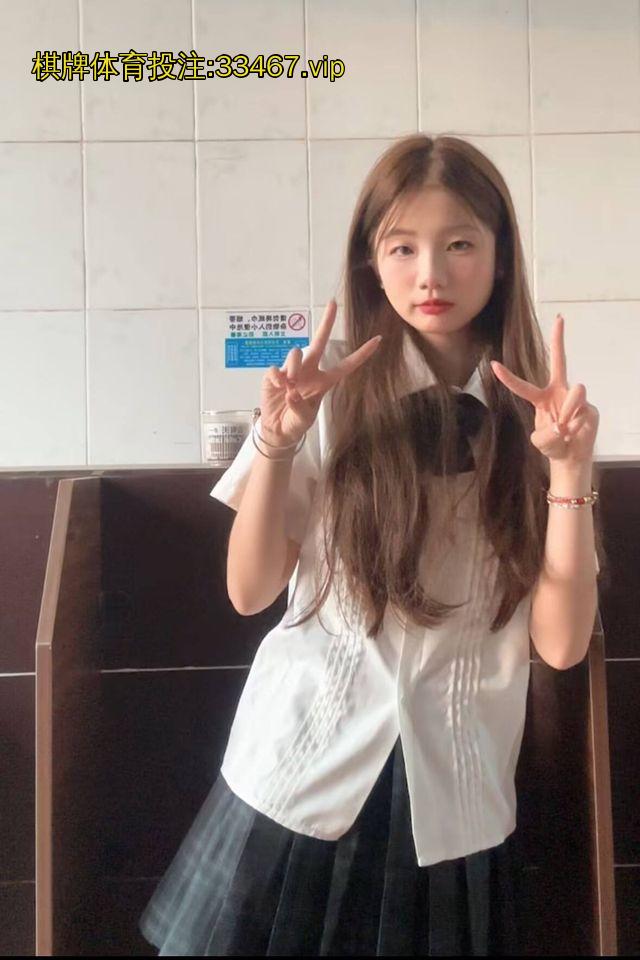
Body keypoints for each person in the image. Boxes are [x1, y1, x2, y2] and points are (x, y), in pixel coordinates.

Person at [138, 134, 604, 956]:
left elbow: (562, 647)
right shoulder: (323, 391)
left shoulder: (544, 419)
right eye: (403, 247)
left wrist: (567, 470)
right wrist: (279, 440)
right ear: (371, 261)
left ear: (501, 258)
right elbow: (249, 591)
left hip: (455, 798)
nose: (431, 275)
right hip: (300, 771)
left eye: (460, 244)